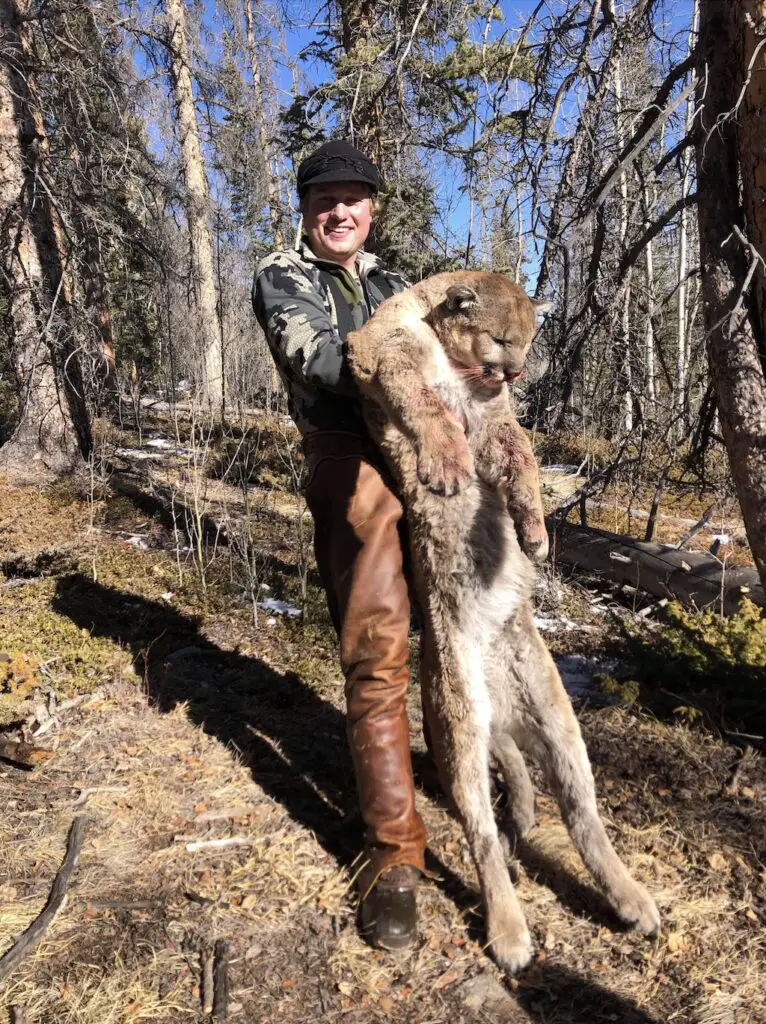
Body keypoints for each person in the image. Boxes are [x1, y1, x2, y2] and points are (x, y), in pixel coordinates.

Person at [252, 140, 427, 952]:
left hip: (426, 459)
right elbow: (317, 358)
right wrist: (415, 367)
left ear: (374, 208)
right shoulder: (282, 274)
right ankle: (392, 854)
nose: (341, 211)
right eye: (327, 199)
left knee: (459, 639)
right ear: (306, 207)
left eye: (355, 197)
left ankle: (460, 782)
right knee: (378, 648)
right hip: (349, 464)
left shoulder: (397, 282)